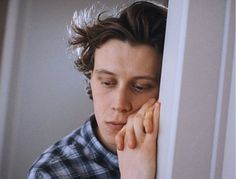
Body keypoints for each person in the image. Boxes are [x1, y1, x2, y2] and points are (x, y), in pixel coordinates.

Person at [28, 1, 167, 178]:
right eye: (108, 82)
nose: (119, 104)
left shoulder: (178, 151)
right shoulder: (51, 172)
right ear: (90, 78)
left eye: (140, 87)